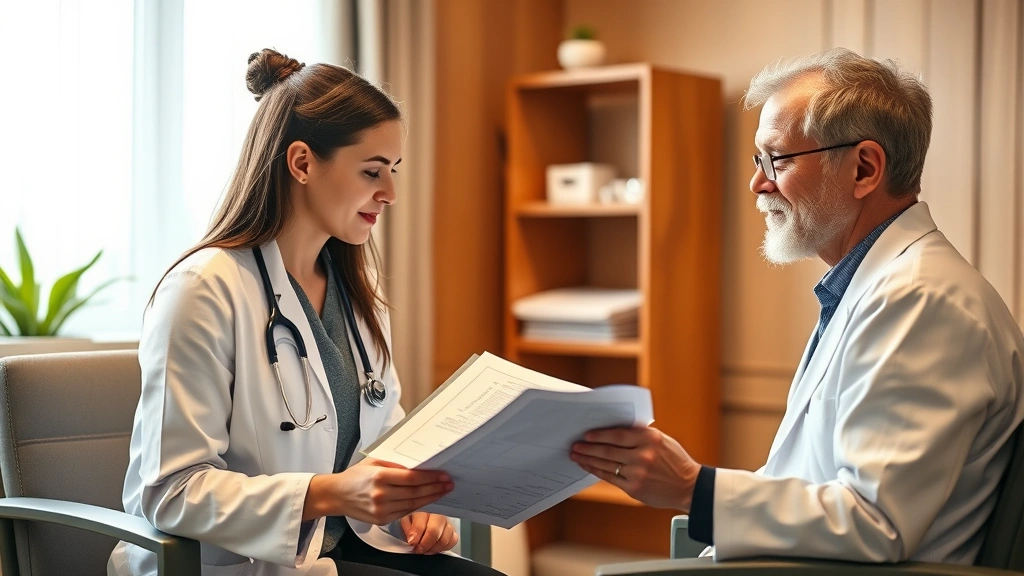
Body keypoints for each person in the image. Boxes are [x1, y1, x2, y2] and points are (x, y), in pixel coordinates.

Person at [571, 47, 1024, 564]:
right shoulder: (870, 289)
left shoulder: (922, 300)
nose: (757, 183)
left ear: (864, 169)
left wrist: (694, 488)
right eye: (757, 161)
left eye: (777, 160)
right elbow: (808, 481)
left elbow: (876, 523)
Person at [108, 49, 505, 576]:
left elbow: (387, 435)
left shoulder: (357, 291)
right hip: (247, 563)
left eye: (393, 171)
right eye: (372, 171)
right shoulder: (204, 290)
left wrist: (416, 505)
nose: (389, 193)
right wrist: (327, 494)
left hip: (346, 549)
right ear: (301, 163)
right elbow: (171, 491)